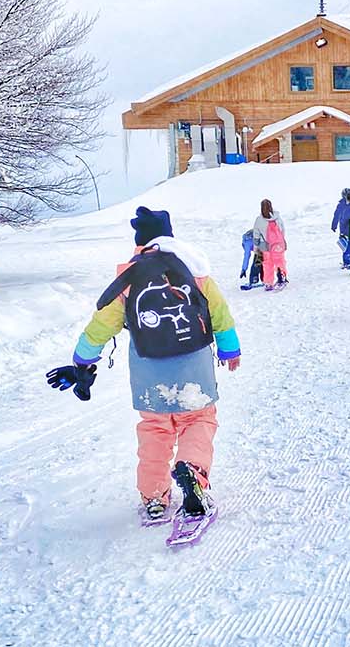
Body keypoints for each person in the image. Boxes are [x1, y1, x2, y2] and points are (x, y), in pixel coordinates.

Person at [47, 207, 241, 528]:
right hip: (194, 370)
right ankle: (192, 471)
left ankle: (153, 497)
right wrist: (229, 349)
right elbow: (220, 313)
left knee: (155, 429)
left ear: (140, 242)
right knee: (198, 420)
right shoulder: (195, 271)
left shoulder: (130, 278)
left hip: (149, 374)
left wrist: (82, 360)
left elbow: (101, 324)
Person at [252, 199, 288, 290]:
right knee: (280, 261)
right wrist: (283, 241)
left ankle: (268, 283)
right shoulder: (277, 218)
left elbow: (256, 233)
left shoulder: (259, 220)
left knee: (268, 264)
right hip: (278, 244)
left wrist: (256, 245)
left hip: (265, 245)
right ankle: (282, 278)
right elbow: (282, 230)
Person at [331, 188, 350, 268]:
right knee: (349, 245)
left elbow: (336, 216)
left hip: (347, 229)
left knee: (346, 246)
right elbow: (336, 215)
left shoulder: (342, 205)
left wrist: (334, 225)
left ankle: (348, 262)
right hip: (349, 229)